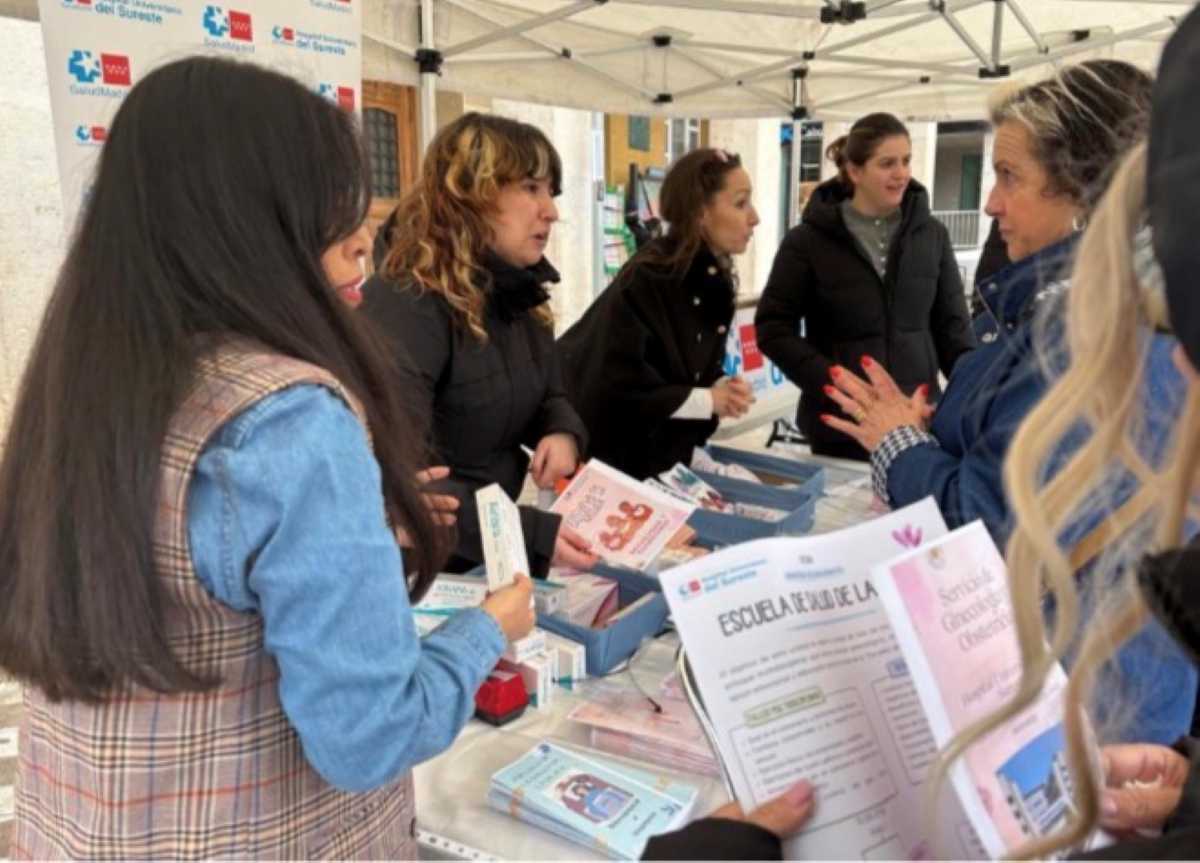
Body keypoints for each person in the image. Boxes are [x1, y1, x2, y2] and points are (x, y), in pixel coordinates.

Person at [646, 24, 1200, 855]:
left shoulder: (1087, 333)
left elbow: (998, 520)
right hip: (1067, 694)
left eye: (1009, 177)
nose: (989, 201)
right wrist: (851, 392)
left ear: (1088, 193)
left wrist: (907, 444)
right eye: (894, 162)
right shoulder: (1052, 310)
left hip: (1082, 710)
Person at [0, 58, 536, 859]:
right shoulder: (290, 420)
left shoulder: (79, 389)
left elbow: (188, 571)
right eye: (333, 213)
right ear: (257, 221)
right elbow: (369, 734)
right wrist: (486, 629)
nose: (360, 242)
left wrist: (352, 526)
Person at [362, 112, 596, 579]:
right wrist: (532, 533)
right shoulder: (406, 303)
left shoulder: (520, 293)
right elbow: (399, 479)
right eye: (530, 187)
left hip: (485, 549)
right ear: (469, 195)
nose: (549, 210)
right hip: (417, 568)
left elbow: (549, 392)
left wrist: (562, 431)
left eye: (551, 191)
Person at [755, 112, 974, 461]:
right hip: (841, 428)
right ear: (855, 171)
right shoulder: (807, 241)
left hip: (917, 421)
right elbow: (772, 328)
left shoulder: (932, 235)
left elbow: (953, 328)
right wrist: (834, 382)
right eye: (887, 163)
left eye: (905, 161)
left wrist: (969, 398)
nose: (901, 173)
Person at [557, 148, 759, 479]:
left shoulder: (712, 277)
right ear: (700, 212)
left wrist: (721, 385)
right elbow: (621, 389)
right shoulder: (651, 276)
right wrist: (708, 400)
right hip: (616, 464)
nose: (754, 218)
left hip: (665, 459)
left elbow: (688, 368)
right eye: (740, 203)